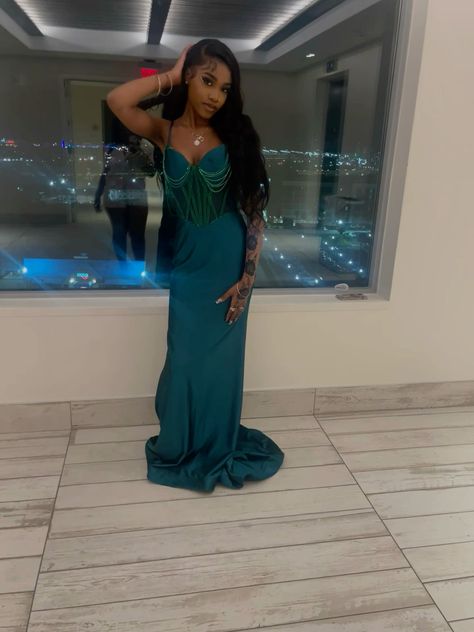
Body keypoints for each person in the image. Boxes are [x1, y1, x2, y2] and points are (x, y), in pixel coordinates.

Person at [106, 39, 284, 492]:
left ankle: (216, 442)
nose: (215, 96)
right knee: (184, 358)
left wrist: (247, 279)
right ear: (189, 76)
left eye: (224, 88)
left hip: (228, 260)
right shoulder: (163, 131)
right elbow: (117, 101)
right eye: (207, 80)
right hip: (187, 261)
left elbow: (255, 214)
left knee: (220, 363)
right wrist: (168, 75)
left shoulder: (236, 137)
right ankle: (181, 443)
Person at [94, 132, 156, 261]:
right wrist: (98, 194)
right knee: (119, 234)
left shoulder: (146, 147)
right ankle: (122, 266)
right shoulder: (111, 148)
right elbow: (105, 172)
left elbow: (151, 173)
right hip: (114, 196)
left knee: (137, 235)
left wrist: (140, 155)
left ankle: (139, 266)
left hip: (136, 195)